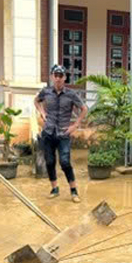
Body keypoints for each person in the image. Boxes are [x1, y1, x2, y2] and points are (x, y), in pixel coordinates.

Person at [34, 64, 87, 203]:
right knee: (50, 162)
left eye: (60, 76)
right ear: (52, 77)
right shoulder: (46, 92)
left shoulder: (71, 94)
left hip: (63, 133)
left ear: (65, 78)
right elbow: (36, 101)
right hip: (48, 132)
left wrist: (75, 125)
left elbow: (84, 109)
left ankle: (74, 191)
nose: (58, 78)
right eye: (55, 76)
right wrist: (42, 112)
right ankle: (55, 189)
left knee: (64, 162)